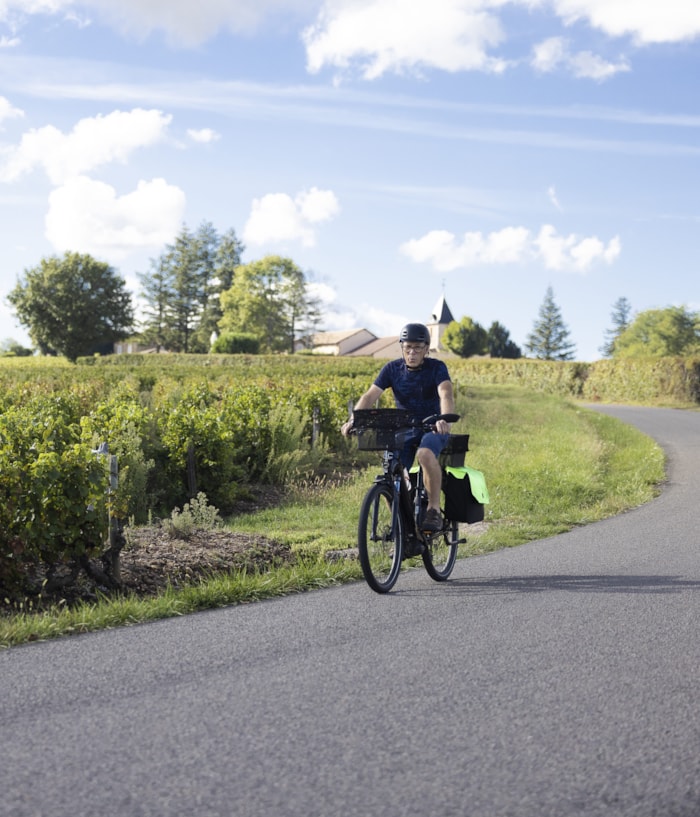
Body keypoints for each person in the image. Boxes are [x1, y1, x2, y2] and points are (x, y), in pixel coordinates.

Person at [341, 322, 455, 531]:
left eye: (417, 348)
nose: (412, 352)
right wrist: (354, 420)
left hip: (433, 427)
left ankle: (434, 510)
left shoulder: (436, 368)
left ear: (426, 349)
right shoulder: (392, 369)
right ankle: (402, 530)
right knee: (392, 472)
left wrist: (445, 419)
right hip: (404, 429)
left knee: (425, 454)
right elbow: (370, 395)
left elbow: (445, 393)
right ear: (402, 347)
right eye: (407, 347)